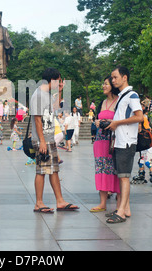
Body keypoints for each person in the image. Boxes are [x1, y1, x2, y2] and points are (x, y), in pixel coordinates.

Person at [30, 67, 79, 213]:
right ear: (52, 79)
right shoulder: (38, 95)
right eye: (59, 80)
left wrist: (60, 91)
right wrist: (42, 141)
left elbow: (56, 109)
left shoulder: (46, 94)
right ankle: (39, 203)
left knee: (54, 170)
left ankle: (60, 201)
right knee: (42, 170)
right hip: (43, 139)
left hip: (49, 137)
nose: (60, 83)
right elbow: (37, 119)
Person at [104, 66, 143, 223]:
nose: (113, 80)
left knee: (124, 177)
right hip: (120, 140)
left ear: (124, 77)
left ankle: (121, 211)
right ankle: (125, 208)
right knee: (121, 176)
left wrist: (117, 123)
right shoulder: (123, 96)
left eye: (115, 77)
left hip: (126, 141)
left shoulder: (132, 95)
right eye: (112, 78)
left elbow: (139, 117)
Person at [90, 76, 120, 213]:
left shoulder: (119, 101)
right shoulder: (102, 102)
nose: (103, 86)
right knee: (101, 169)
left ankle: (120, 205)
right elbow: (98, 118)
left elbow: (121, 120)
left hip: (113, 140)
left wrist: (109, 121)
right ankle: (102, 203)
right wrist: (97, 122)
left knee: (115, 170)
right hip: (100, 140)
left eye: (106, 84)